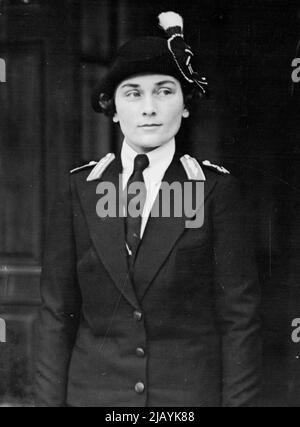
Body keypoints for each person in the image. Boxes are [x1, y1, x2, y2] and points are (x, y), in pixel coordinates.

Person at [35, 12, 262, 407]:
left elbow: (239, 321)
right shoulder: (79, 189)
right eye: (133, 93)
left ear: (186, 105)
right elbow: (56, 315)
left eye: (164, 91)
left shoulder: (214, 191)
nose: (150, 108)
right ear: (113, 108)